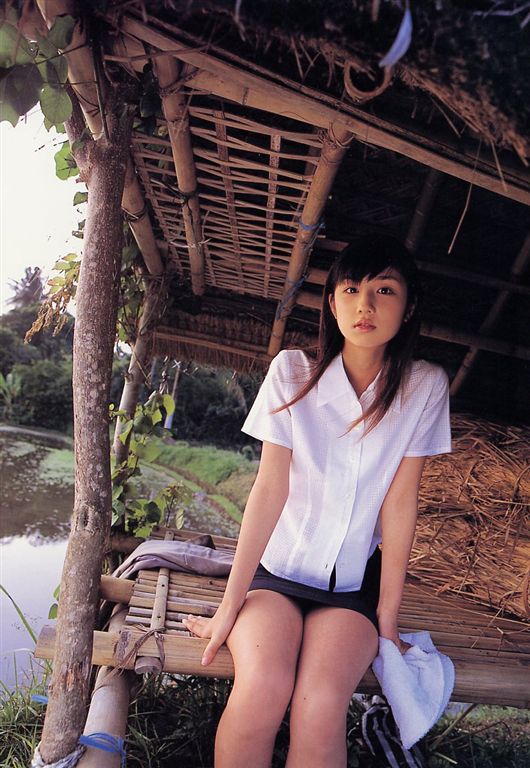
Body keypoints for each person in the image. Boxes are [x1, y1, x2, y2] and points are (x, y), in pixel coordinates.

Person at [183, 234, 451, 768]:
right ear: (332, 302)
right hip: (276, 576)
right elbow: (269, 489)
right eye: (350, 290)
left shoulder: (424, 387)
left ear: (409, 307)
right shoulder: (292, 372)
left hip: (350, 589)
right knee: (262, 689)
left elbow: (401, 505)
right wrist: (228, 607)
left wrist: (388, 622)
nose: (365, 305)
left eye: (384, 290)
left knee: (321, 705)